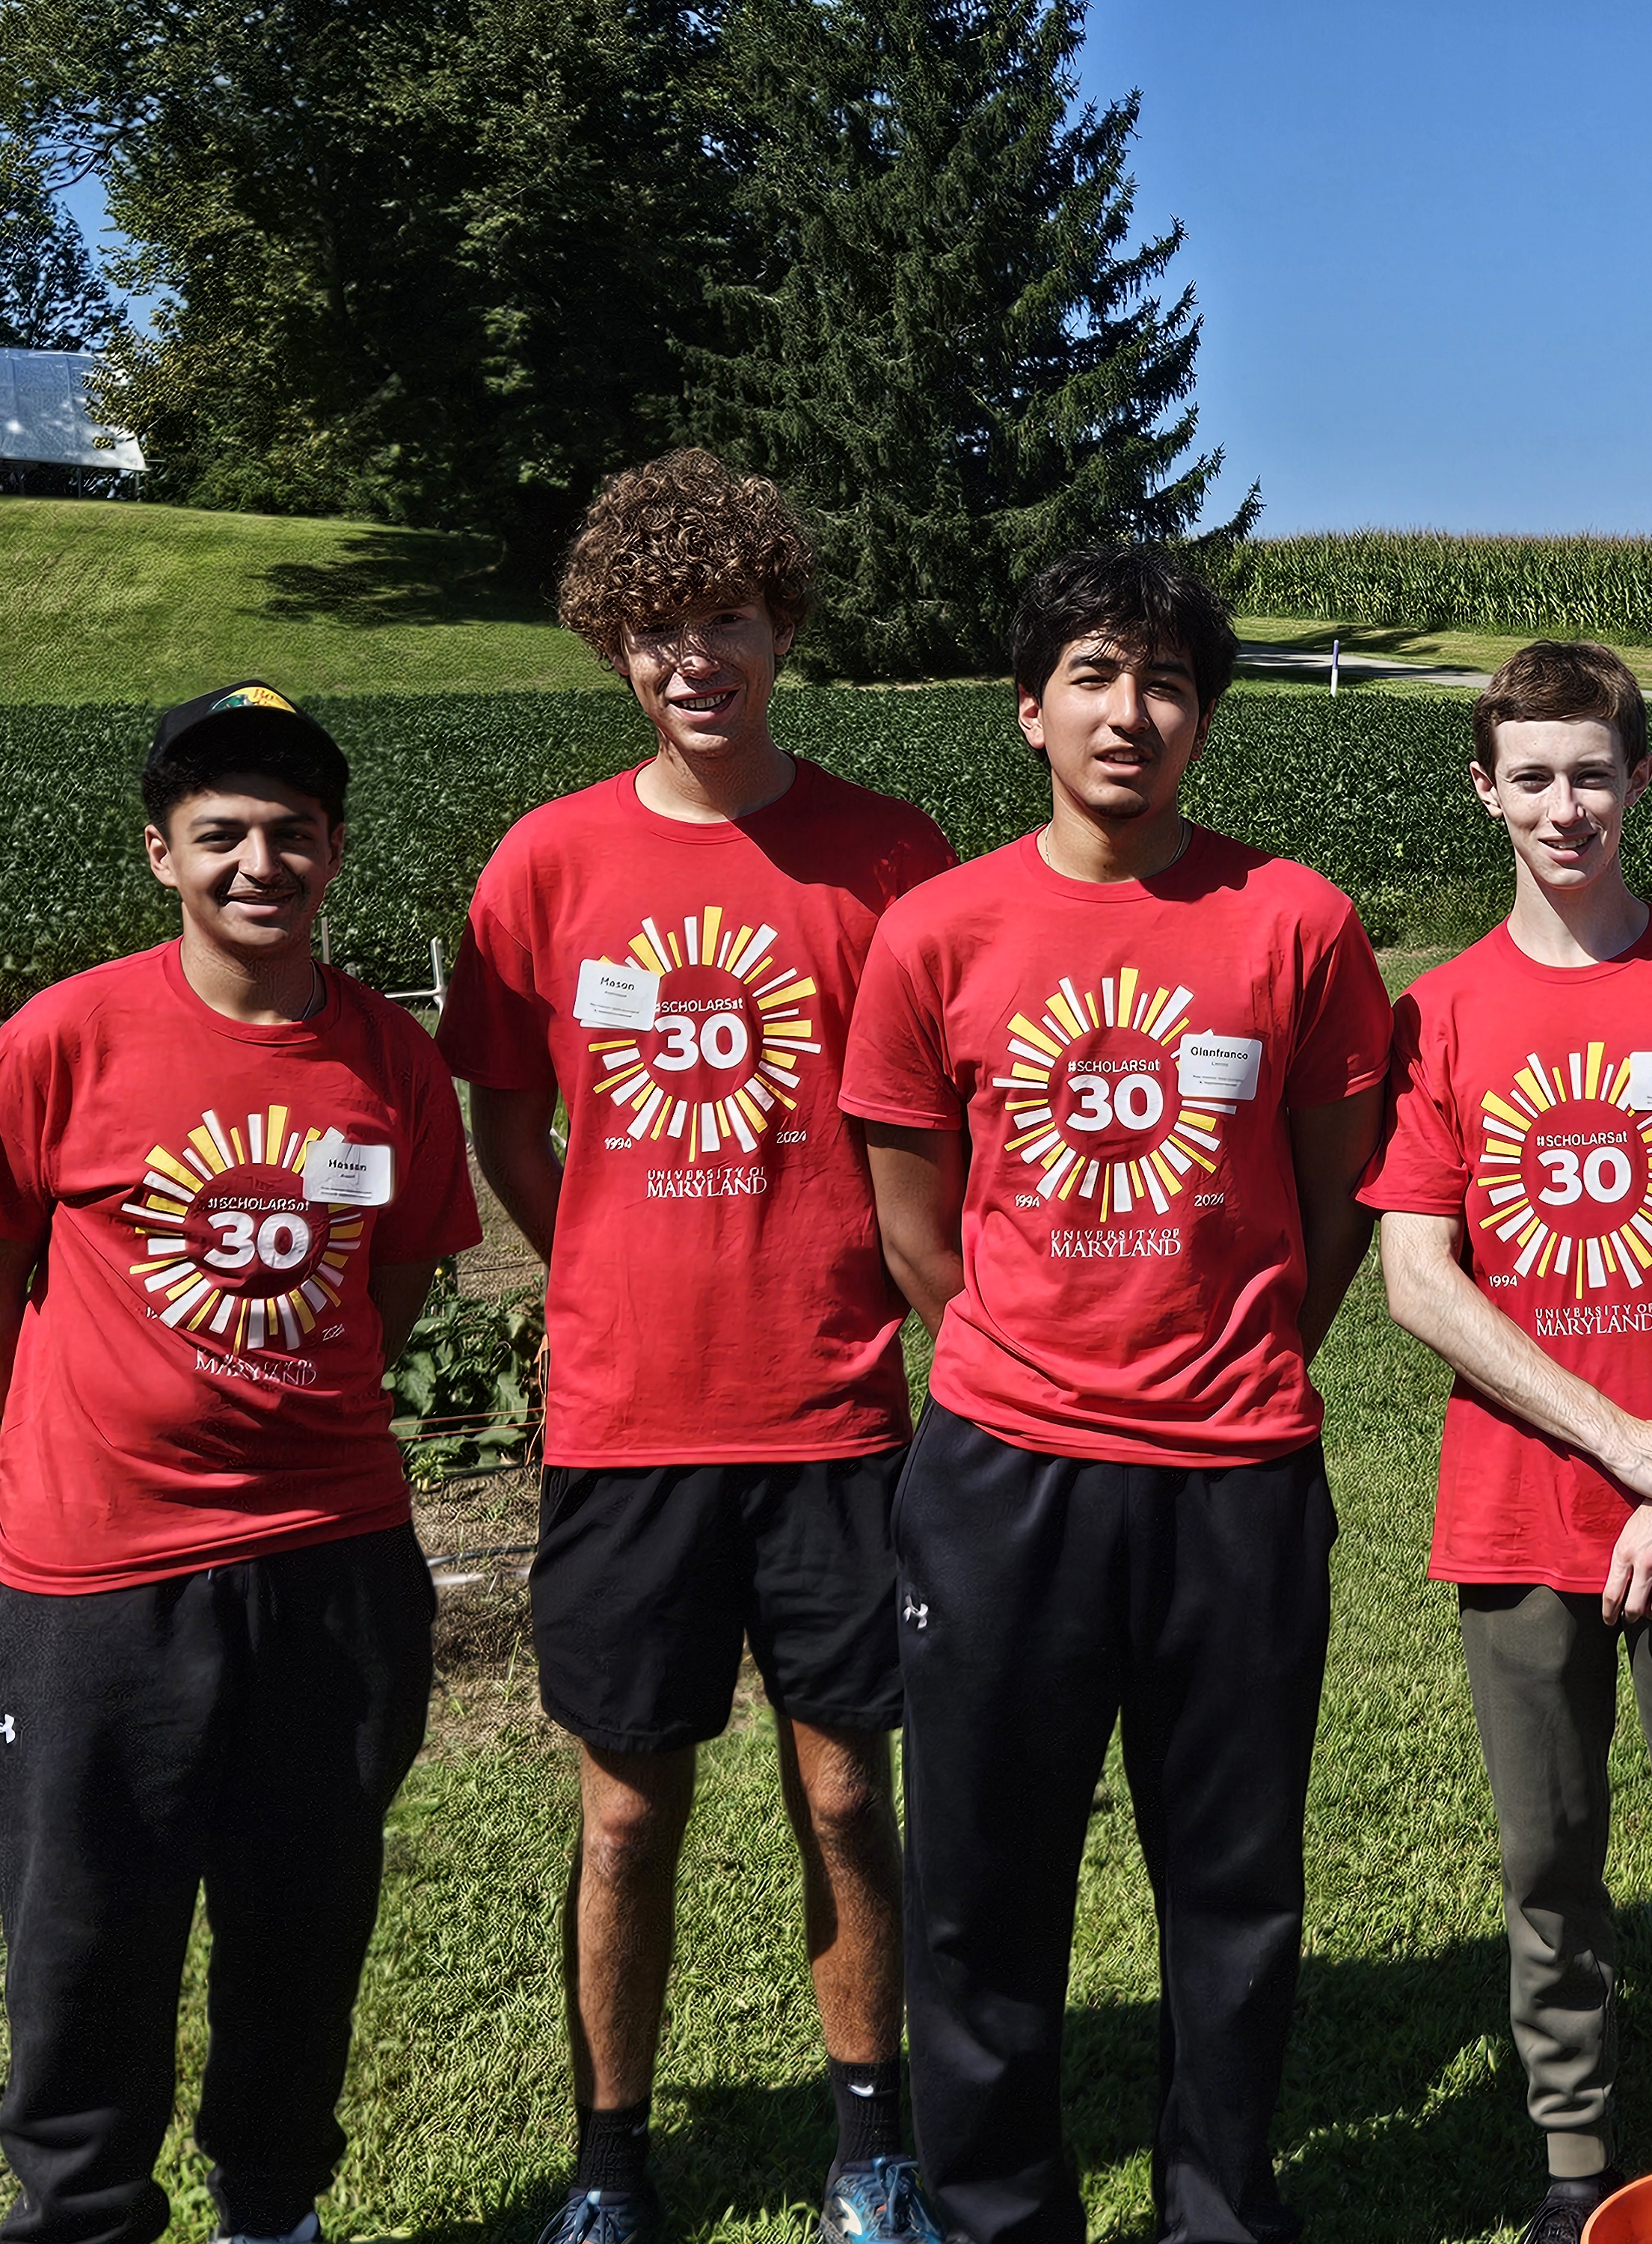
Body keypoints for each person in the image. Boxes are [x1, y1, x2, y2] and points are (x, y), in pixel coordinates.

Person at [841, 547, 1392, 2244]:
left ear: (1203, 722)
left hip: (1234, 1472)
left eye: (1162, 680)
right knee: (981, 1886)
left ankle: (1217, 2208)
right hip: (1004, 1472)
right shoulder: (938, 930)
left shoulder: (1292, 922)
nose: (1126, 710)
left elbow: (1330, 1199)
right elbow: (914, 1219)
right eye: (1091, 672)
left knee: (1230, 1885)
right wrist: (1030, 1362)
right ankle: (1000, 2207)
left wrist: (1224, 1352)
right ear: (1028, 710)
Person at [437, 451, 958, 2244]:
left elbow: (936, 1120)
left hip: (832, 1407)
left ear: (778, 628)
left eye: (725, 621)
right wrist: (595, 1255)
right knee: (626, 1813)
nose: (693, 661)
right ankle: (609, 2161)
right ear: (612, 647)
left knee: (841, 1790)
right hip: (626, 1414)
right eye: (656, 632)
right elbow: (510, 1113)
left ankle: (872, 2145)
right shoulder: (546, 861)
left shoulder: (889, 854)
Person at [1360, 642, 1652, 2244]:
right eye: (1533, 776)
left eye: (1592, 773)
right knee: (1546, 1863)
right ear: (1481, 789)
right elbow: (1417, 1278)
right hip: (1520, 1517)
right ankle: (1574, 2161)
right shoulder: (1438, 1012)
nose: (1565, 806)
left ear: (1639, 781)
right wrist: (1619, 1445)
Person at [0, 684, 479, 2244]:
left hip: (333, 1558)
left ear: (335, 851)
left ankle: (273, 2207)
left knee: (304, 1912)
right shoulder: (62, 1039)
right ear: (160, 854)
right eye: (221, 835)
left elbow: (399, 1280)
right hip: (98, 1570)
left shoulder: (391, 1061)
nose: (258, 863)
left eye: (290, 833)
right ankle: (84, 2213)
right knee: (86, 1927)